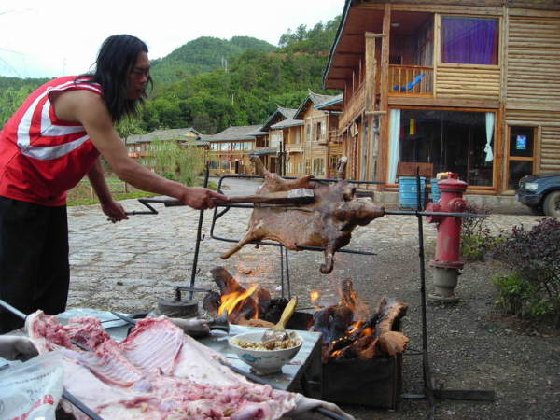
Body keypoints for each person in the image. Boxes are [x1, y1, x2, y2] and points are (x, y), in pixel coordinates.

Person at [0, 35, 228, 333]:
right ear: (116, 69)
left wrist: (106, 200)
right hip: (14, 190)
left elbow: (88, 152)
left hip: (49, 195)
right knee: (17, 289)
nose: (144, 80)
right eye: (138, 72)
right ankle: (11, 363)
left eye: (147, 72)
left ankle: (48, 349)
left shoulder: (103, 103)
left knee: (53, 286)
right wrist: (185, 192)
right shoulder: (88, 99)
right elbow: (124, 167)